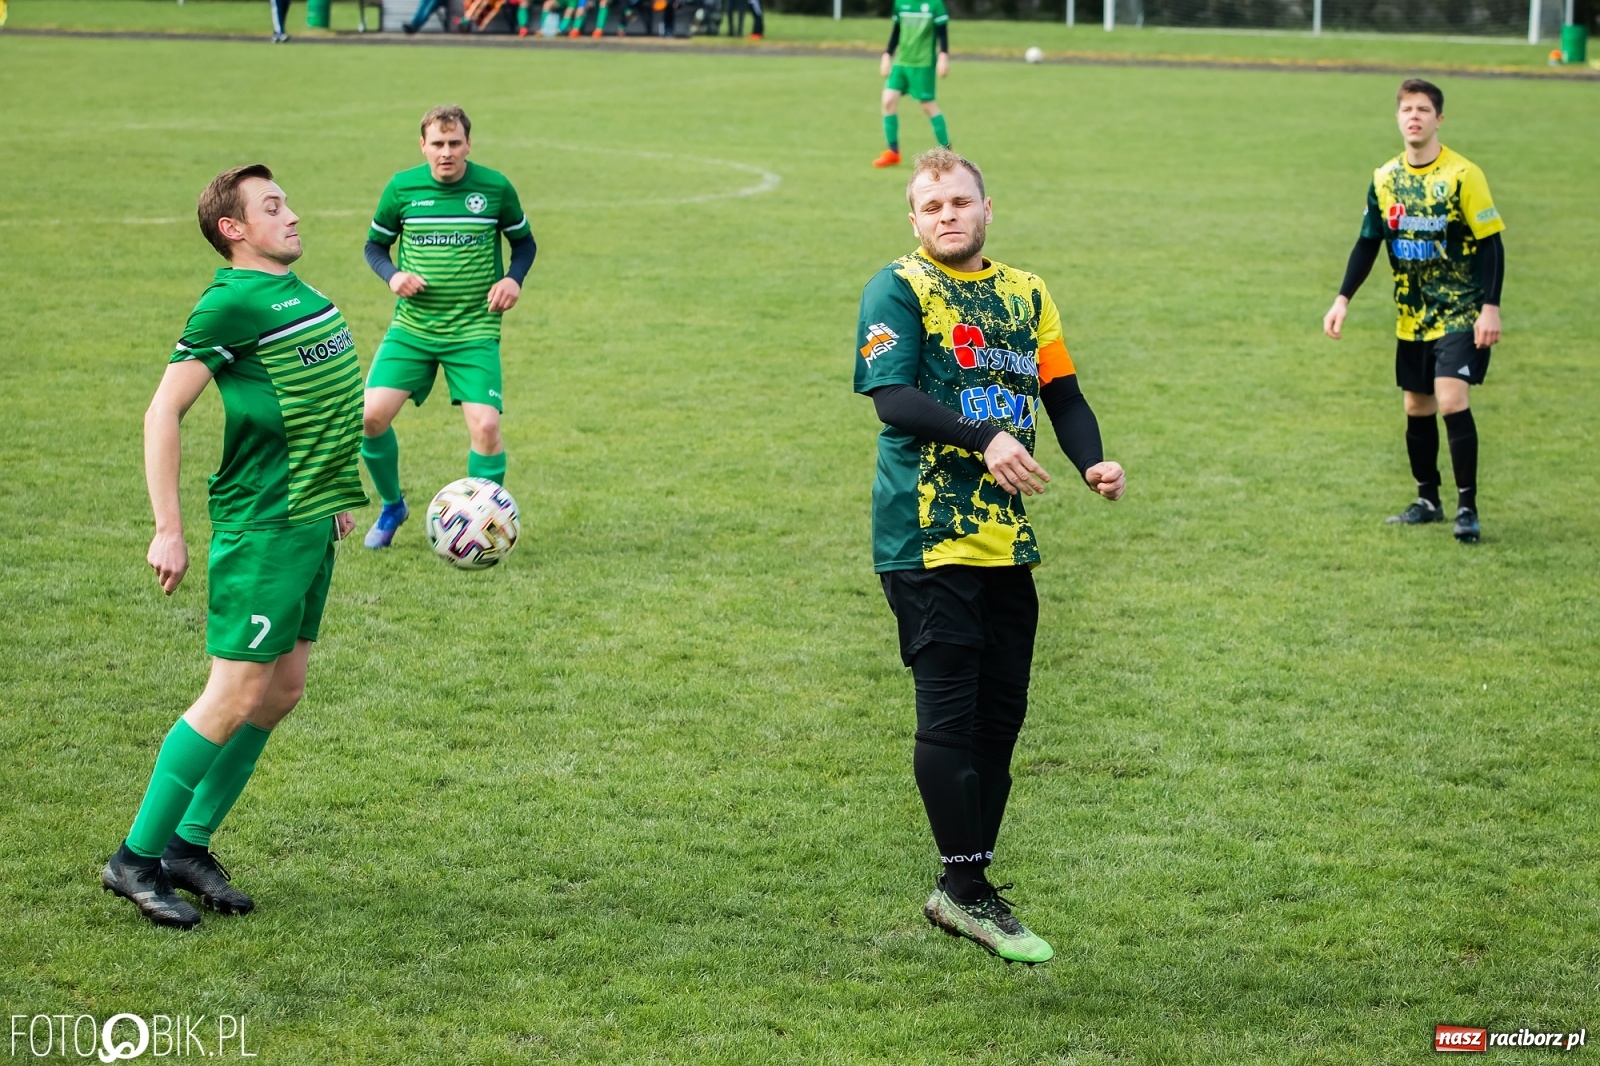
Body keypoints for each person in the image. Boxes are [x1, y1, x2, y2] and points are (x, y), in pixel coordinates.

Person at [854, 148, 1125, 964]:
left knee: (1002, 715)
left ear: (986, 208)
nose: (947, 215)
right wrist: (986, 435)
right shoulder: (897, 288)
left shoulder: (1025, 291)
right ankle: (966, 888)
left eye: (959, 202)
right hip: (926, 538)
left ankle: (963, 885)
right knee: (950, 713)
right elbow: (892, 398)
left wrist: (1092, 462)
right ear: (913, 217)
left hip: (1008, 542)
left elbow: (1064, 394)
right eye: (931, 205)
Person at [101, 165, 366, 928]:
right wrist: (168, 528)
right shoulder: (230, 303)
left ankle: (187, 843)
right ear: (233, 229)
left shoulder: (300, 294)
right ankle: (134, 859)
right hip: (261, 527)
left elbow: (317, 399)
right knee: (233, 695)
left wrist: (335, 488)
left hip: (309, 522)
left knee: (280, 691)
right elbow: (163, 411)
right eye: (272, 207)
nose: (291, 215)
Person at [1323, 77, 1505, 544]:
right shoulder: (1386, 179)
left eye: (1424, 109)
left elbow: (1491, 245)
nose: (1415, 117)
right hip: (1412, 317)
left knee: (1450, 399)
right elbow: (1368, 243)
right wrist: (1342, 298)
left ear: (1438, 119)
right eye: (1407, 109)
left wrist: (1490, 307)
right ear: (1398, 117)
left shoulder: (1463, 175)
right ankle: (1428, 500)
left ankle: (1467, 507)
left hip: (1462, 313)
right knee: (1416, 406)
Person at [360, 106, 536, 548]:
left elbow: (525, 243)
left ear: (468, 145)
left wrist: (513, 278)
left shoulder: (494, 188)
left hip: (474, 328)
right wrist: (392, 275)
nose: (446, 152)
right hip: (413, 328)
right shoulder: (402, 189)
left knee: (487, 428)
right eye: (437, 144)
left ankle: (482, 527)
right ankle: (392, 506)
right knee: (369, 418)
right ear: (423, 146)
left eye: (454, 143)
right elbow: (375, 246)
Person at [871, 0, 950, 168]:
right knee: (888, 100)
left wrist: (943, 56)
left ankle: (948, 152)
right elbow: (896, 30)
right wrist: (887, 55)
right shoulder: (900, 3)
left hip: (923, 63)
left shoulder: (935, 5)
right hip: (902, 62)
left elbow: (942, 32)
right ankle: (893, 152)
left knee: (928, 105)